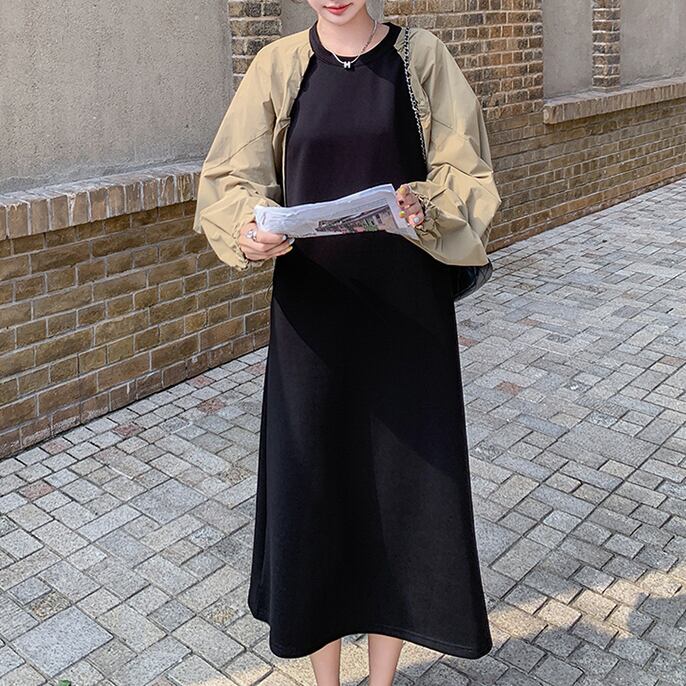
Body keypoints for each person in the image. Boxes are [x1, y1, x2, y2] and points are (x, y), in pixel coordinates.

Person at [193, 2, 502, 684]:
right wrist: (247, 230)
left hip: (406, 319)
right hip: (312, 321)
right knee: (315, 491)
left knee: (404, 491)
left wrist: (426, 205)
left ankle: (382, 680)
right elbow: (229, 178)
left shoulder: (421, 59)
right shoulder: (278, 66)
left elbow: (469, 171)